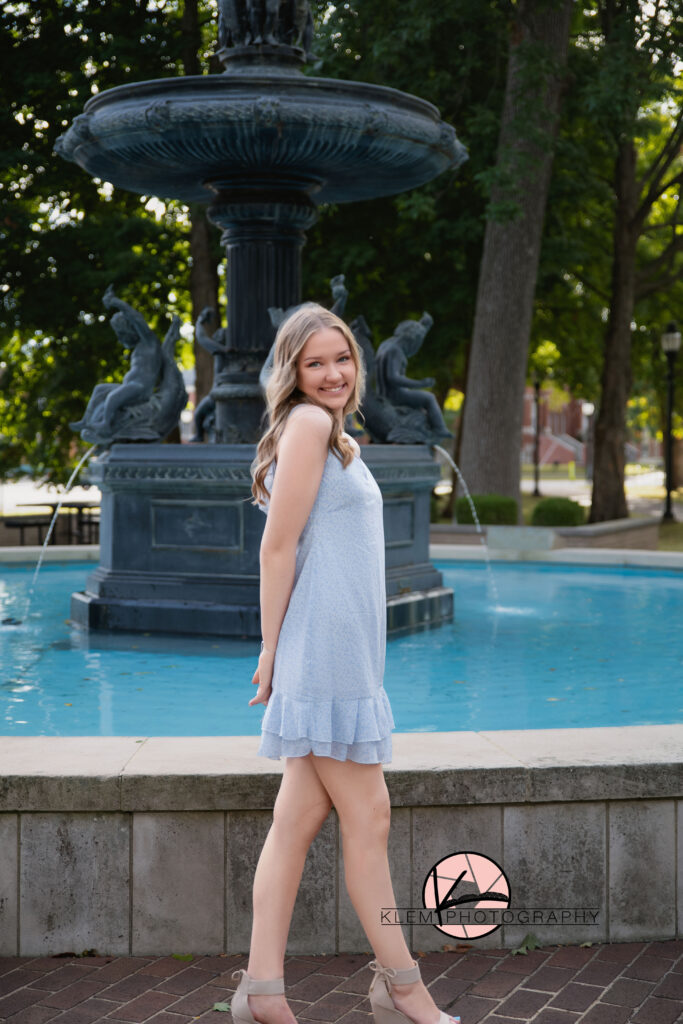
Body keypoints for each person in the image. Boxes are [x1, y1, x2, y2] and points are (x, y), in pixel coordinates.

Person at [236, 303, 461, 1024]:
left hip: (343, 651)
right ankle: (402, 988)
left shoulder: (335, 437)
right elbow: (276, 546)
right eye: (315, 363)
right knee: (370, 816)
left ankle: (261, 992)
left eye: (342, 359)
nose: (333, 374)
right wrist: (272, 651)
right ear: (292, 373)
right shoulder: (306, 425)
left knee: (295, 822)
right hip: (323, 652)